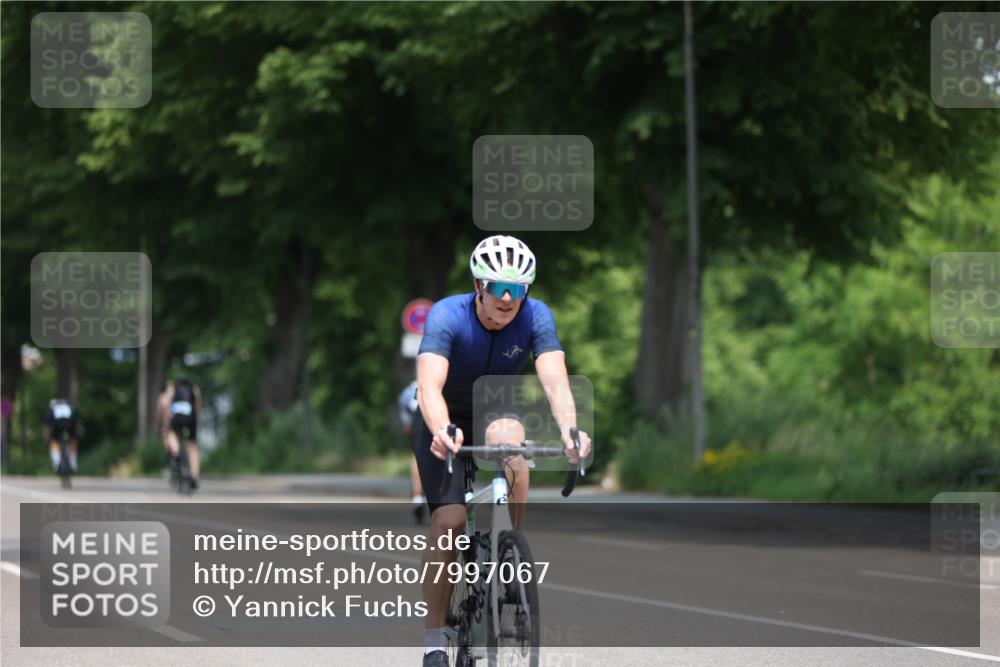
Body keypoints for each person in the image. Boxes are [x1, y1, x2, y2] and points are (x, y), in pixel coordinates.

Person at [412, 235, 592, 667]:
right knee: (450, 521)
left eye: (519, 288)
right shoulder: (447, 315)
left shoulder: (536, 316)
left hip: (496, 408)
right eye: (499, 287)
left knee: (514, 451)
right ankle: (434, 640)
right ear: (479, 285)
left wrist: (571, 429)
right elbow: (429, 386)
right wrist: (441, 429)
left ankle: (510, 547)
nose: (509, 298)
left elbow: (554, 378)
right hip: (445, 416)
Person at [156, 377, 202, 490]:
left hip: (177, 416)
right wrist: (196, 417)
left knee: (170, 433)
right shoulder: (194, 389)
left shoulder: (172, 388)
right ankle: (195, 475)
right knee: (192, 445)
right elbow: (197, 405)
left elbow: (164, 403)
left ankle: (176, 453)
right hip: (191, 417)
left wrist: (164, 421)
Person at [398, 379, 426, 523]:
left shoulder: (409, 389)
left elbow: (408, 428)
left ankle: (417, 497)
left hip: (414, 408)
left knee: (416, 454)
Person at [43, 398, 78, 474]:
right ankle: (73, 464)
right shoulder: (69, 407)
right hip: (69, 423)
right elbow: (75, 419)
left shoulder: (52, 409)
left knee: (54, 442)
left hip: (57, 424)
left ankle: (57, 463)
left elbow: (47, 426)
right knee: (72, 440)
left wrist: (46, 437)